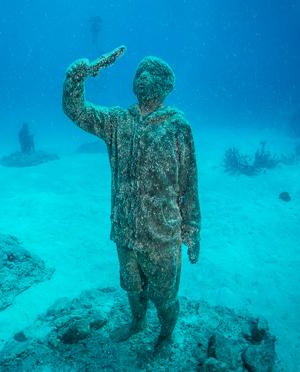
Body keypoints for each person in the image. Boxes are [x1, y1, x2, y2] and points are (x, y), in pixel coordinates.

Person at [62, 48, 201, 347]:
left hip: (162, 233)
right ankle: (137, 323)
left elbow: (189, 183)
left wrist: (192, 229)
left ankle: (165, 335)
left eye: (151, 73)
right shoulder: (117, 121)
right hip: (125, 229)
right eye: (139, 72)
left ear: (166, 86)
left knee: (164, 296)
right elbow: (78, 111)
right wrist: (76, 77)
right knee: (132, 288)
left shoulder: (178, 127)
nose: (143, 76)